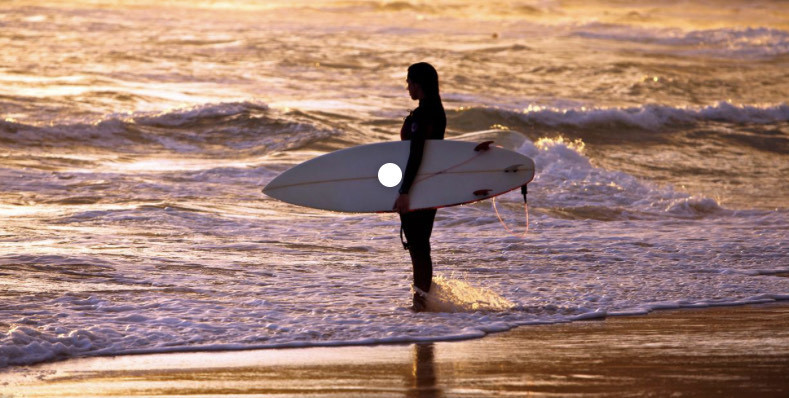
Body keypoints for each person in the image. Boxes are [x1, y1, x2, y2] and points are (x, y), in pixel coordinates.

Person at [392, 62, 446, 311]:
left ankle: (420, 303)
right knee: (421, 246)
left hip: (418, 187)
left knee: (418, 247)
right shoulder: (436, 110)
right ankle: (422, 301)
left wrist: (404, 192)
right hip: (431, 186)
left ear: (418, 84)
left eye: (409, 82)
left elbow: (416, 154)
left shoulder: (424, 115)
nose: (407, 87)